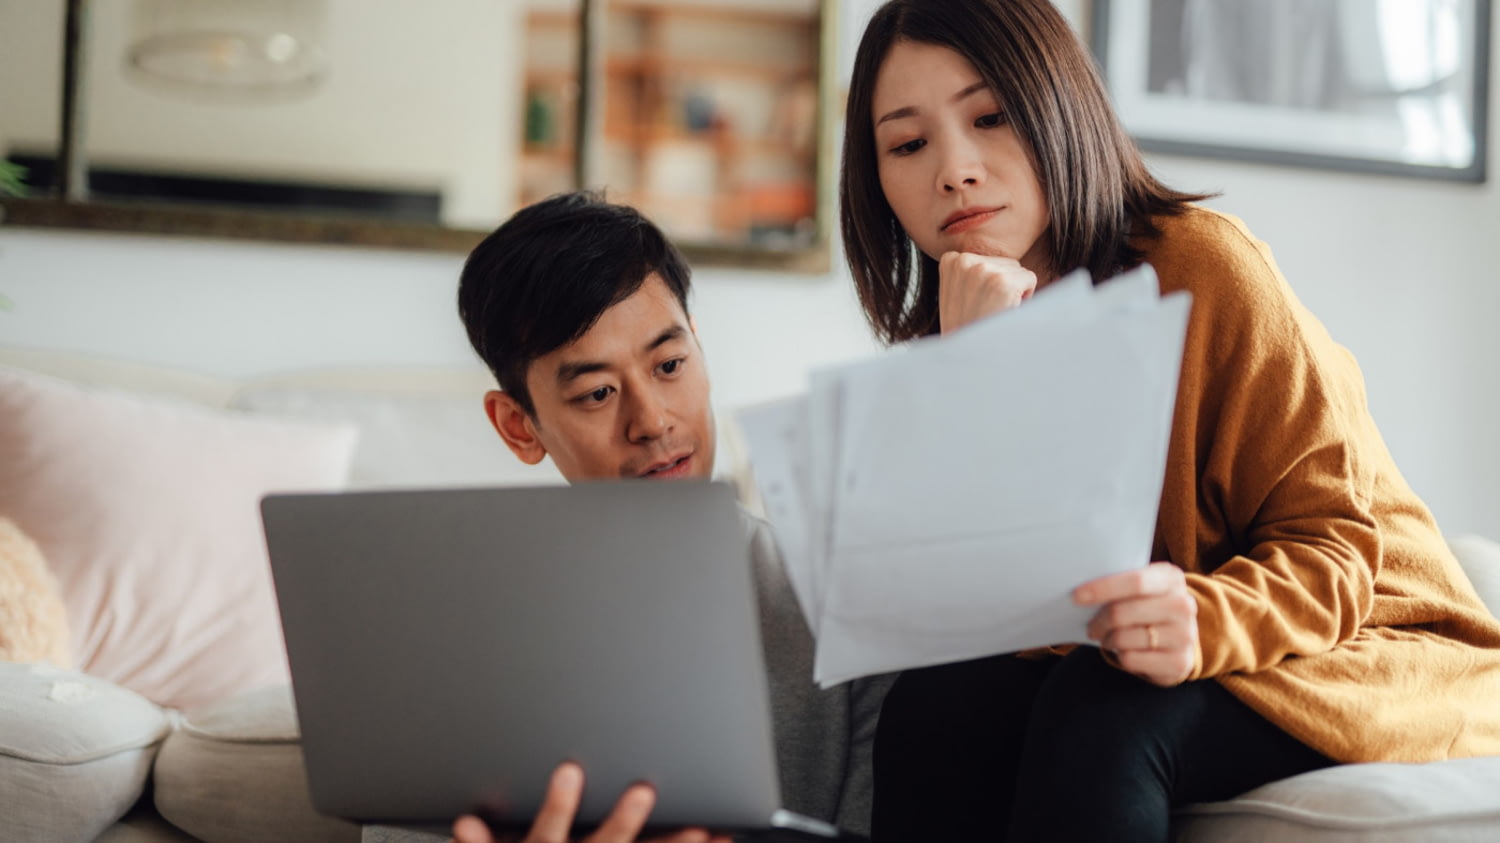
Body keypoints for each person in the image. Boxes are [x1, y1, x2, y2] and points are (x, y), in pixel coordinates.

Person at [837, 1, 1500, 840]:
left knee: (1104, 710)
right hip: (1157, 652)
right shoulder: (959, 326)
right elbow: (981, 618)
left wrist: (1204, 620)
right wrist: (976, 385)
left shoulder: (1205, 266)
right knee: (934, 710)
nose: (954, 169)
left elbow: (1336, 551)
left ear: (1056, 106)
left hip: (1370, 645)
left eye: (991, 116)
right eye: (907, 144)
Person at [448, 190, 891, 843]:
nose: (653, 420)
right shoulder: (456, 634)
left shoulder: (845, 599)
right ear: (519, 426)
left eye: (670, 364)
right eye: (598, 392)